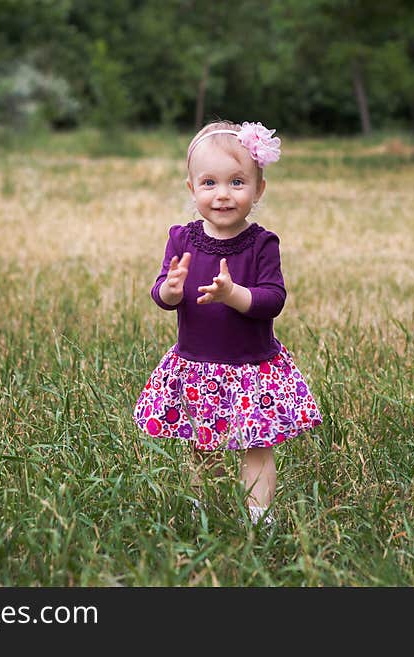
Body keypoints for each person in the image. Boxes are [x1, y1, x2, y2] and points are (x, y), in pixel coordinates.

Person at [133, 119, 322, 526]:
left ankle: (259, 516)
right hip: (197, 365)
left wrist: (232, 294)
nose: (222, 195)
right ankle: (207, 507)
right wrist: (170, 289)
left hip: (252, 367)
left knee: (256, 445)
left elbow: (273, 299)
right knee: (203, 444)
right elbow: (161, 294)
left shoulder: (261, 243)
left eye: (237, 182)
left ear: (259, 190)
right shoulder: (182, 239)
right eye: (209, 183)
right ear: (192, 189)